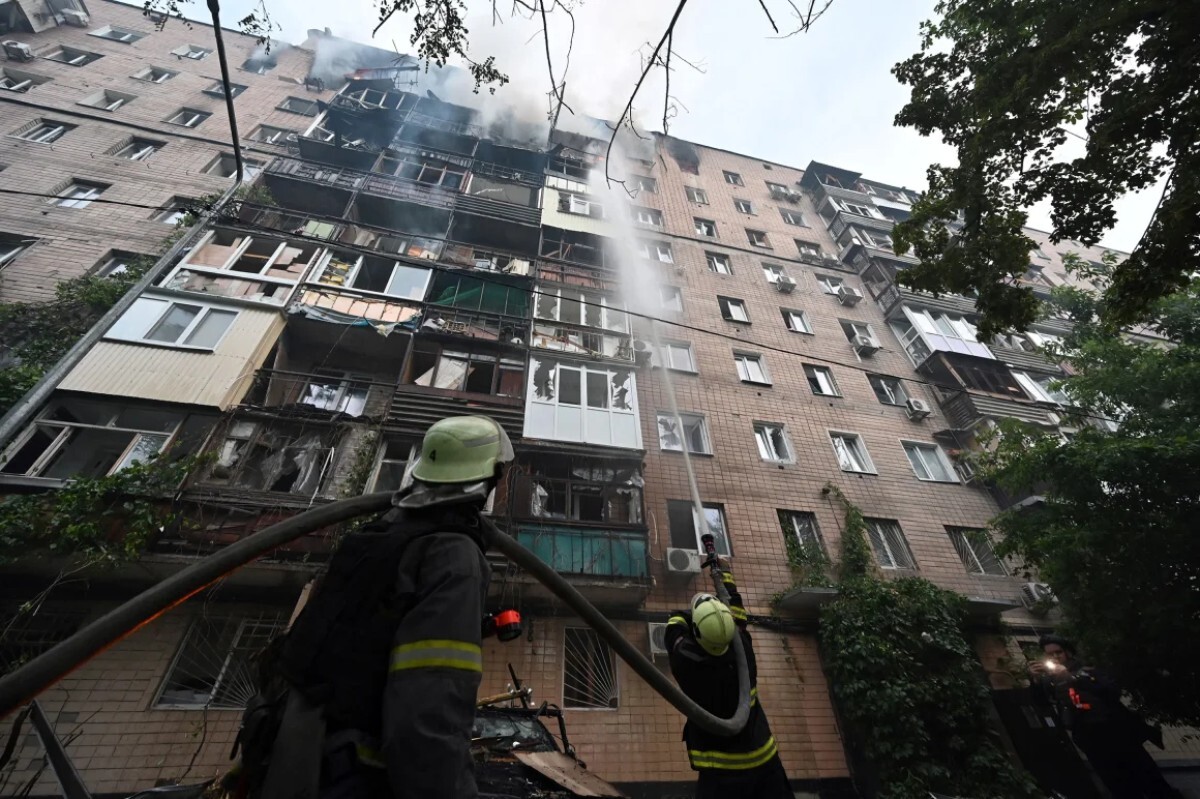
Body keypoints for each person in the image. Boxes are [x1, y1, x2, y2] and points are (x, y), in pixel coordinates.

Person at [234, 415, 515, 799]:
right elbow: (430, 708)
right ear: (489, 477)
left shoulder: (378, 538)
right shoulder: (452, 555)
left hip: (291, 753)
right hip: (352, 776)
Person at [665, 563, 791, 799]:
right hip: (765, 763)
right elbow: (738, 616)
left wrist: (695, 612)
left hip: (721, 775)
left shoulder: (688, 663)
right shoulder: (744, 650)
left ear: (697, 634)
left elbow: (674, 626)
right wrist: (725, 577)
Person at [1031, 634, 1178, 799]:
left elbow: (1111, 692)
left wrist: (1071, 677)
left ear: (1068, 652)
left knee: (1148, 777)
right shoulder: (1050, 680)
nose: (1055, 657)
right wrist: (1035, 681)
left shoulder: (1088, 670)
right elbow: (1042, 704)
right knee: (1118, 785)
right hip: (1089, 737)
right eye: (1050, 655)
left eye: (1058, 652)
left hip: (1116, 730)